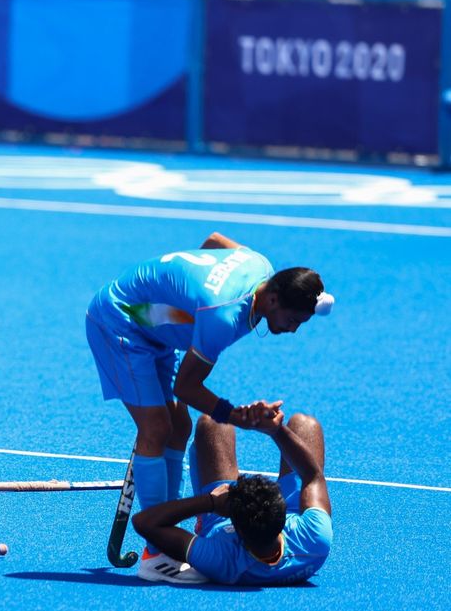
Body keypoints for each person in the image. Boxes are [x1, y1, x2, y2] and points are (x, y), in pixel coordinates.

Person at [85, 231, 331, 582]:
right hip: (121, 320)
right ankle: (156, 555)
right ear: (273, 299)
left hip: (155, 324)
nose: (292, 330)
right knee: (156, 428)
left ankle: (164, 524)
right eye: (293, 320)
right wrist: (238, 417)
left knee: (179, 427)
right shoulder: (223, 318)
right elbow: (186, 388)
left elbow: (215, 241)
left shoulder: (260, 265)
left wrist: (190, 301)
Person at [132, 404, 332, 585]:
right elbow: (313, 476)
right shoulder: (314, 539)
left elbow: (144, 522)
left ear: (237, 529)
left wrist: (210, 502)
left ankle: (205, 519)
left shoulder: (221, 559)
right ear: (283, 515)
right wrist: (277, 430)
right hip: (263, 527)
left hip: (218, 519)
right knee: (305, 424)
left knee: (213, 423)